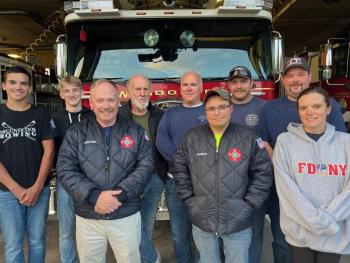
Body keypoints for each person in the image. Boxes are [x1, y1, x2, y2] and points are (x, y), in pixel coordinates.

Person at [258, 57, 347, 263]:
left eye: (300, 74)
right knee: (282, 241)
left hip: (327, 194)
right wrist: (277, 162)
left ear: (309, 76)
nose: (295, 80)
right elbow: (260, 140)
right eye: (290, 75)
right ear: (283, 80)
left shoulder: (330, 104)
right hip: (285, 189)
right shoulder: (270, 108)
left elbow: (340, 148)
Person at [57, 79, 154, 263]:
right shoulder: (76, 132)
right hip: (89, 215)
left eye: (110, 100)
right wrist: (95, 196)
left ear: (119, 101)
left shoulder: (135, 131)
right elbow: (65, 168)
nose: (106, 106)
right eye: (100, 101)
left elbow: (145, 166)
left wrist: (119, 196)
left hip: (125, 213)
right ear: (91, 104)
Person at [173, 88, 273, 263]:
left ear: (231, 109)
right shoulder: (191, 138)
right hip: (202, 219)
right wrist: (190, 201)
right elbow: (180, 171)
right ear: (205, 112)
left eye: (222, 106)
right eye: (211, 108)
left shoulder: (249, 137)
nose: (217, 112)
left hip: (238, 221)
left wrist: (248, 206)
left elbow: (263, 175)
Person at [273, 86, 350, 263]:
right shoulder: (285, 141)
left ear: (328, 108)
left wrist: (327, 220)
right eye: (303, 107)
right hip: (300, 230)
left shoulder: (346, 143)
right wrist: (315, 221)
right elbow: (287, 190)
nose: (310, 112)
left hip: (334, 229)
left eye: (316, 106)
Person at [0, 66, 56, 263]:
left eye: (23, 83)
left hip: (38, 191)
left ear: (30, 88)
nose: (18, 87)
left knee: (37, 241)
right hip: (6, 192)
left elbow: (49, 151)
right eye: (13, 82)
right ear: (4, 85)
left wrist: (37, 188)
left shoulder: (40, 115)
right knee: (13, 244)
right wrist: (15, 189)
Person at [156, 71, 207, 263]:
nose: (188, 88)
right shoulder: (171, 114)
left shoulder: (209, 112)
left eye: (193, 84)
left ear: (201, 88)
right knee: (179, 233)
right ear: (180, 88)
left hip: (205, 184)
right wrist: (182, 162)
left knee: (205, 233)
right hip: (175, 182)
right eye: (185, 84)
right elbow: (162, 139)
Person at [119, 74, 167, 263]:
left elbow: (166, 145)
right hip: (128, 180)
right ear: (129, 91)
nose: (141, 93)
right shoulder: (118, 116)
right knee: (129, 225)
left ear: (150, 90)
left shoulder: (159, 116)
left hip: (155, 178)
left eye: (145, 89)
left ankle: (144, 259)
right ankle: (150, 257)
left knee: (147, 224)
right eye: (137, 89)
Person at [228, 66, 267, 263]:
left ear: (251, 83)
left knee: (255, 231)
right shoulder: (223, 108)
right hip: (227, 183)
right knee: (228, 231)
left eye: (243, 81)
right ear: (229, 86)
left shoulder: (265, 107)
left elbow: (269, 144)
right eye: (234, 82)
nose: (239, 85)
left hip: (254, 182)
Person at [52, 75, 92, 263]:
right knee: (66, 231)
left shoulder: (92, 116)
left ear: (82, 92)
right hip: (65, 181)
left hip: (91, 179)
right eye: (66, 90)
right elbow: (49, 148)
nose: (71, 94)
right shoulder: (55, 119)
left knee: (92, 228)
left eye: (75, 90)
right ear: (61, 93)